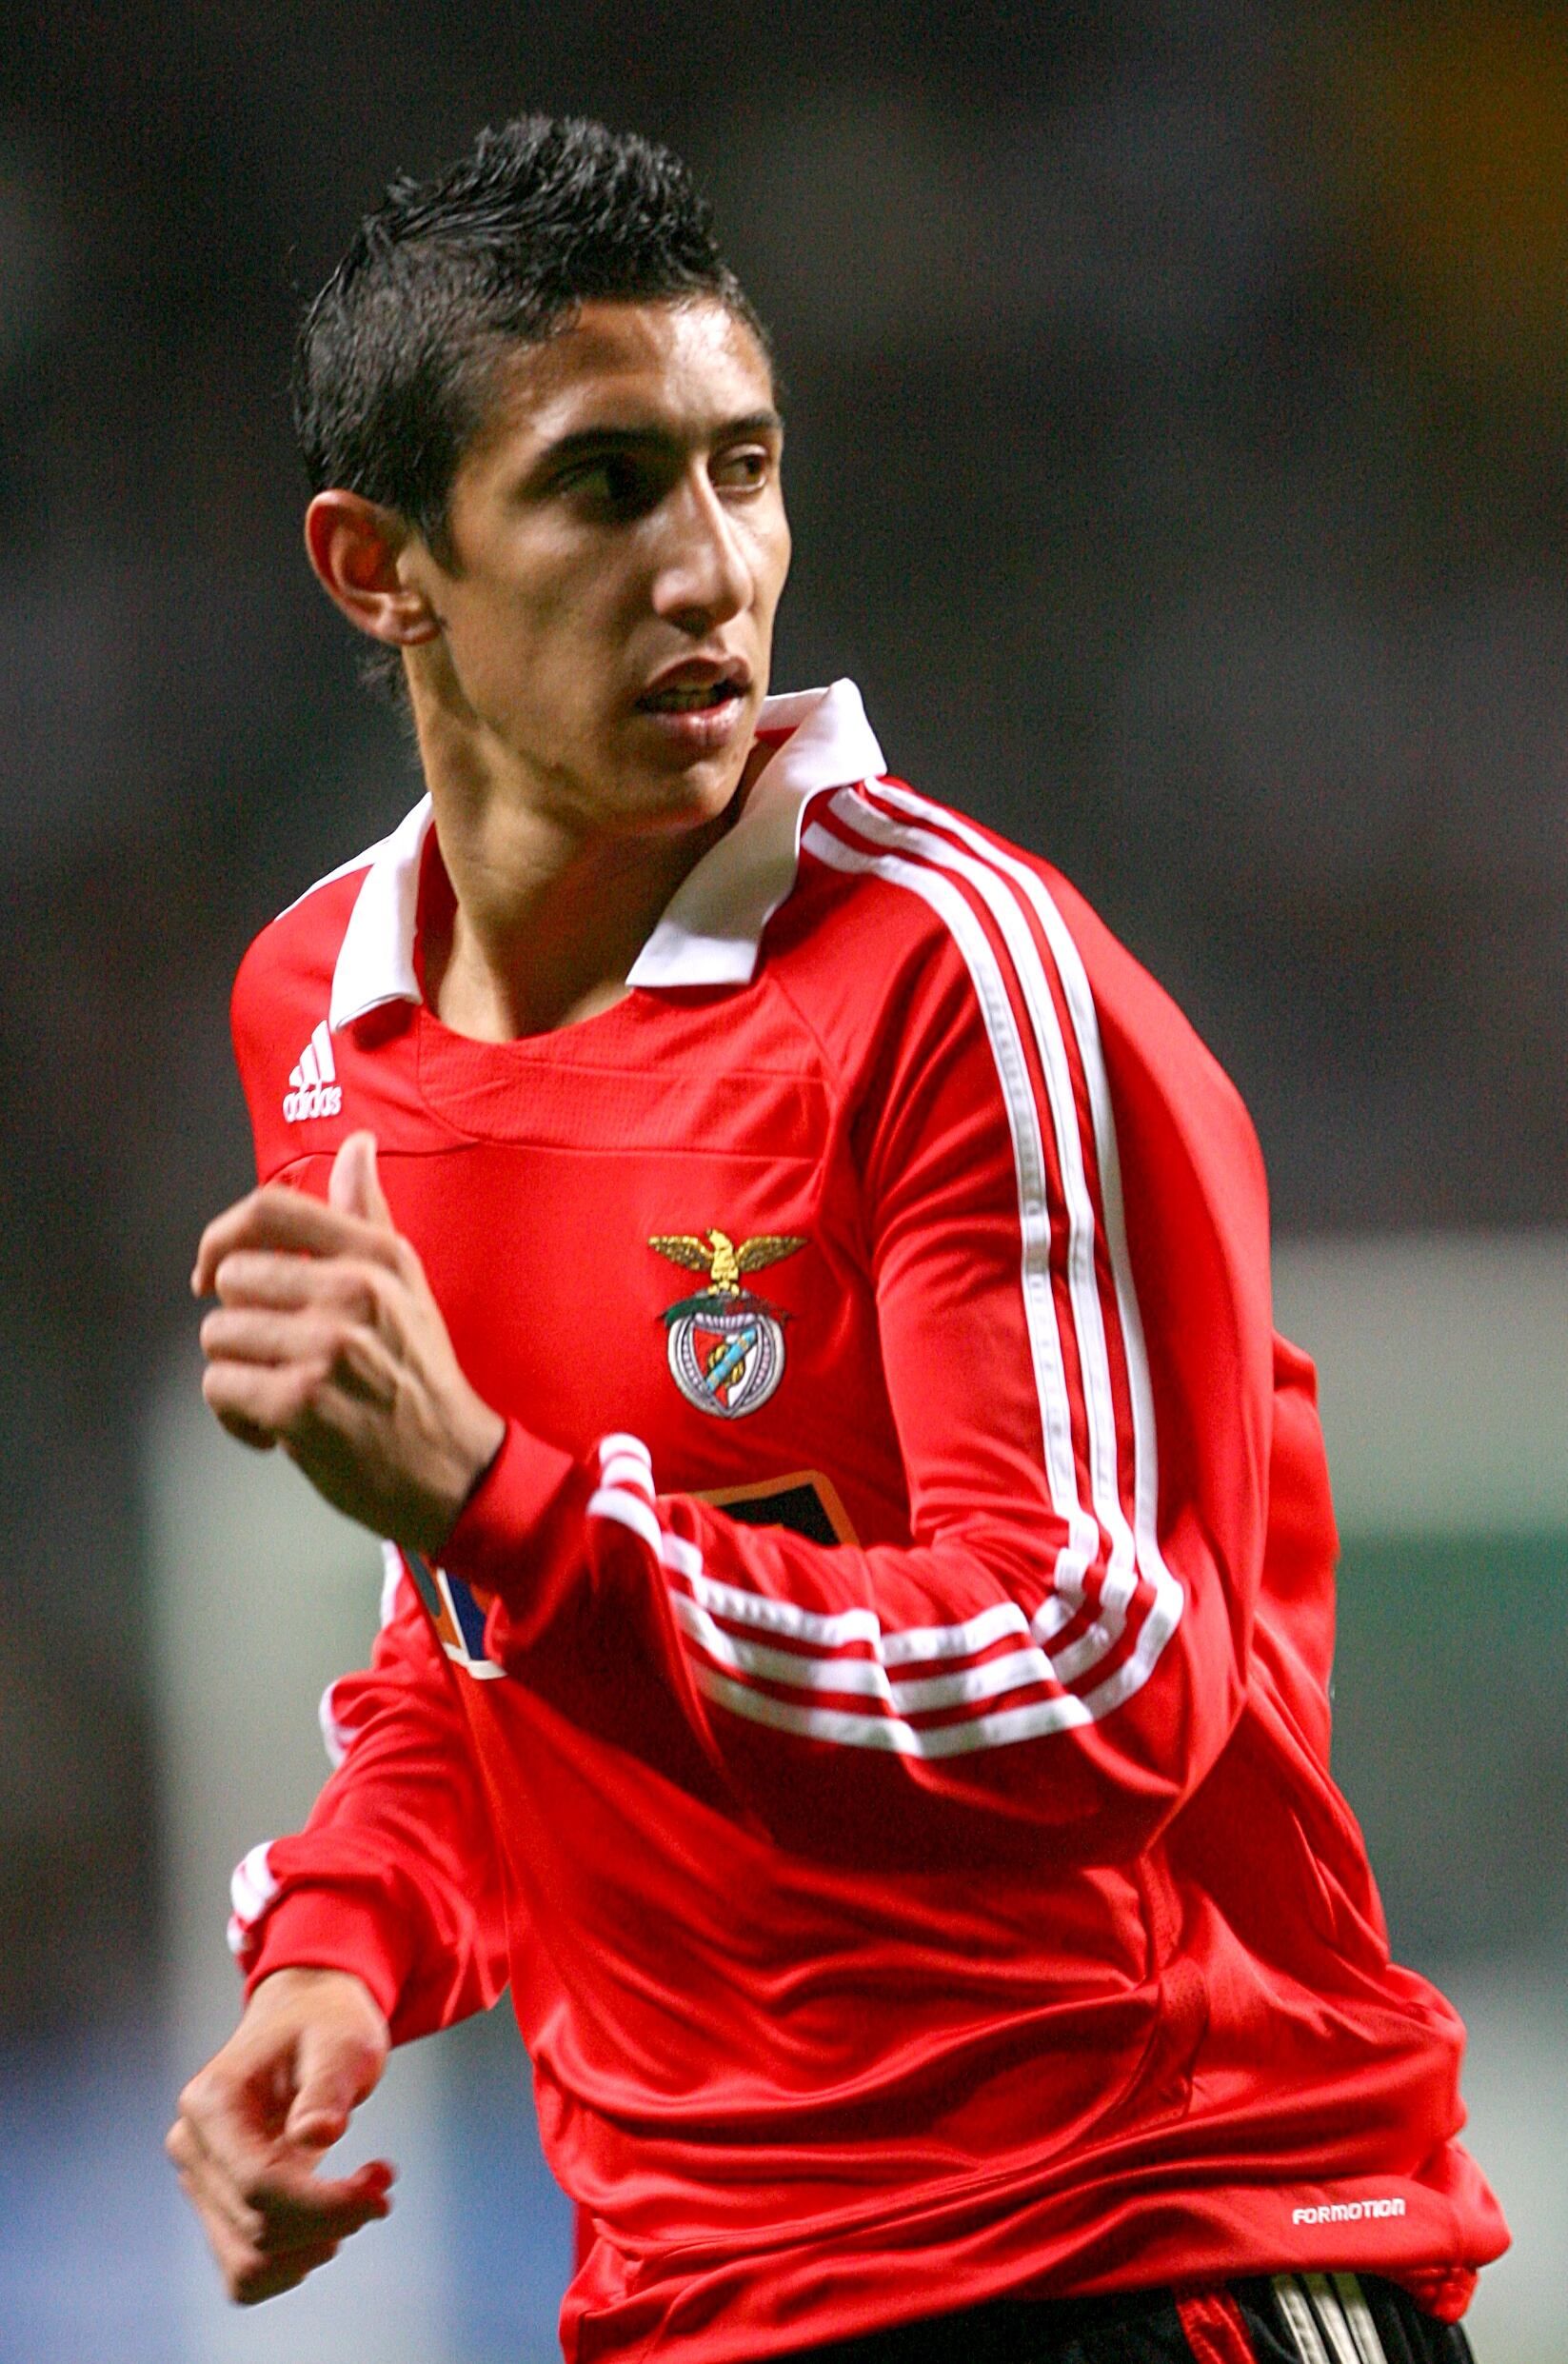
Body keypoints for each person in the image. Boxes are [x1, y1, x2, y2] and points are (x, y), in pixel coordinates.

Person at [166, 114, 1505, 2364]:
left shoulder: (957, 981)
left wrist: (504, 1511)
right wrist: (345, 1941)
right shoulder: (321, 1012)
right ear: (377, 567)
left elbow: (1096, 1671)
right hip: (702, 2297)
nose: (710, 566)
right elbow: (480, 1657)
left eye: (746, 466)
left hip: (1131, 2243)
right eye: (608, 485)